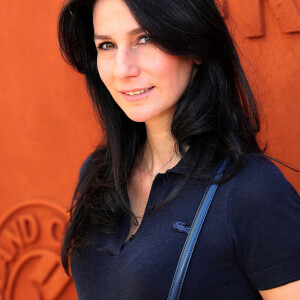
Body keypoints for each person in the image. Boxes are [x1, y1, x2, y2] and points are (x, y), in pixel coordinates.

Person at [58, 0, 300, 299]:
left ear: (193, 45)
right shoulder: (98, 173)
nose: (123, 69)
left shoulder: (251, 190)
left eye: (144, 38)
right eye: (107, 45)